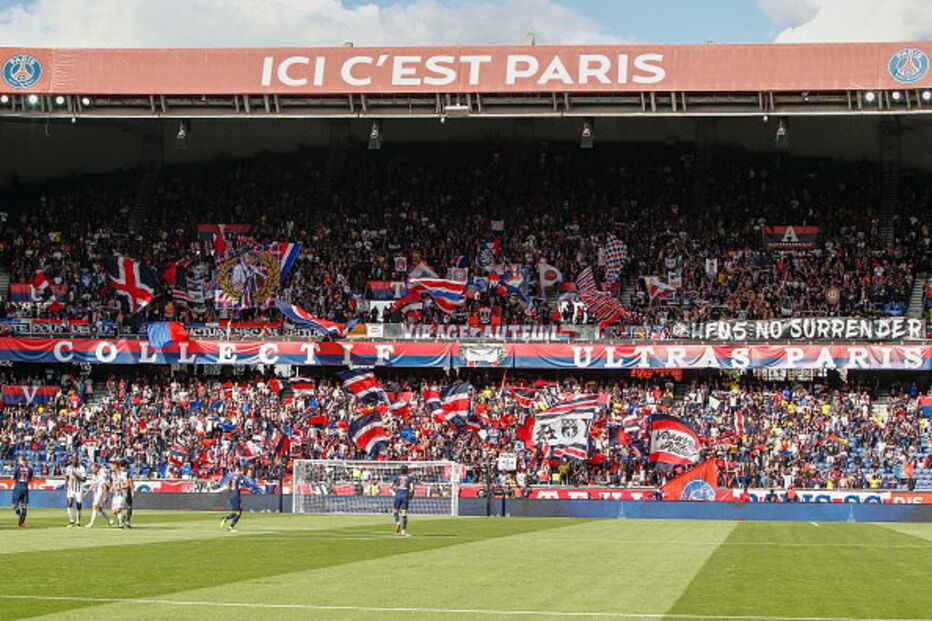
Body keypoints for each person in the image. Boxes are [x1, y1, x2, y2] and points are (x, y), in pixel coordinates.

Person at [86, 464, 114, 528]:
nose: (92, 471)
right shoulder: (95, 474)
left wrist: (105, 495)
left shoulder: (102, 473)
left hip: (100, 491)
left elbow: (104, 484)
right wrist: (88, 491)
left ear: (97, 468)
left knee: (94, 506)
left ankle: (91, 523)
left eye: (93, 469)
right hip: (96, 491)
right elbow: (94, 483)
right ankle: (110, 520)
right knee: (99, 508)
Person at [221, 464, 245, 532]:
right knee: (238, 513)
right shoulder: (240, 476)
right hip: (236, 494)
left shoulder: (232, 476)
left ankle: (226, 519)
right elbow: (241, 485)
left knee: (239, 511)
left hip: (233, 494)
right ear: (241, 470)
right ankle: (230, 527)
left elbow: (228, 484)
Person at [64, 456, 87, 528]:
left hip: (79, 489)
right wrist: (65, 485)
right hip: (70, 488)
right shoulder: (68, 468)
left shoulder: (82, 468)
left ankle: (78, 521)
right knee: (69, 503)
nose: (73, 461)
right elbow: (67, 477)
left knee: (79, 505)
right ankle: (71, 520)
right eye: (72, 459)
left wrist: (77, 476)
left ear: (77, 460)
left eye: (75, 459)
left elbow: (84, 479)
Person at [11, 455, 33, 527]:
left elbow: (13, 477)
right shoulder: (29, 468)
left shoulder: (17, 468)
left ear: (20, 460)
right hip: (25, 487)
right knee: (24, 505)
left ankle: (19, 514)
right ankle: (22, 523)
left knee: (14, 505)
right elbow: (31, 478)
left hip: (18, 487)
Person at [392, 465, 414, 536]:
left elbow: (392, 486)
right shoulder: (409, 478)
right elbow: (412, 488)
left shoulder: (397, 477)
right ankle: (403, 531)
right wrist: (411, 495)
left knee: (395, 511)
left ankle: (397, 522)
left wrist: (395, 491)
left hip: (398, 495)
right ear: (407, 470)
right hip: (405, 495)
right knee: (404, 514)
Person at [110, 462, 130, 529]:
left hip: (122, 495)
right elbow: (114, 484)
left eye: (113, 465)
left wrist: (120, 488)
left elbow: (128, 485)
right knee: (114, 511)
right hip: (115, 495)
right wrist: (112, 488)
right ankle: (123, 516)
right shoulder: (113, 475)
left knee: (118, 510)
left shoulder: (123, 474)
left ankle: (120, 525)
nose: (112, 466)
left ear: (117, 466)